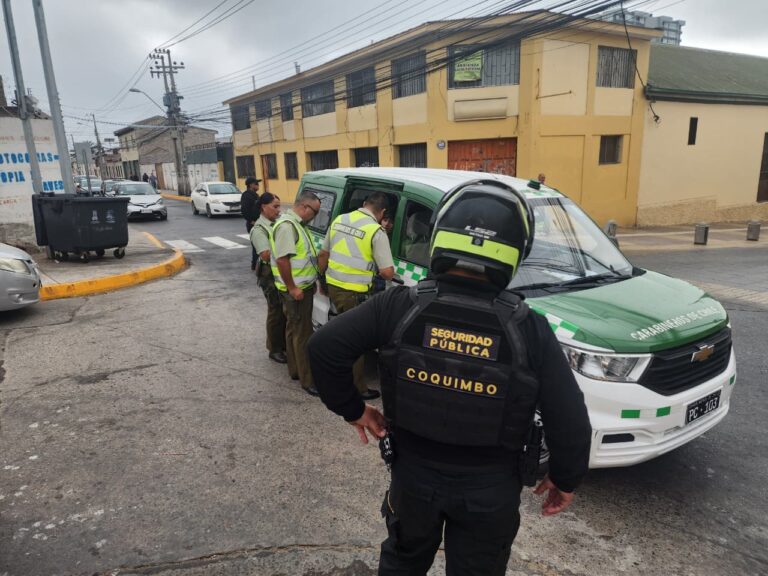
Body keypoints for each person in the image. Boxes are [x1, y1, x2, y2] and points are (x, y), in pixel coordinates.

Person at [308, 182, 592, 575]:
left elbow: (324, 348)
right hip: (490, 490)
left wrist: (354, 410)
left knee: (403, 563)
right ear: (516, 251)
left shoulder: (398, 305)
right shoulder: (530, 329)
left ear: (440, 236)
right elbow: (570, 418)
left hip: (413, 478)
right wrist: (565, 478)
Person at [317, 192, 394, 400]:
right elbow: (387, 272)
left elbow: (323, 254)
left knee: (341, 334)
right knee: (355, 341)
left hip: (334, 286)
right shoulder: (376, 231)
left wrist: (321, 278)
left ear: (364, 204)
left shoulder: (340, 219)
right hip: (355, 293)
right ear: (383, 212)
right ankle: (358, 388)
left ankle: (337, 376)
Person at [270, 190, 322, 395]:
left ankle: (295, 370)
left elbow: (305, 258)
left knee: (293, 330)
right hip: (295, 291)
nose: (315, 216)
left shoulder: (297, 226)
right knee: (303, 334)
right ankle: (308, 380)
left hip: (301, 287)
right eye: (315, 212)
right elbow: (283, 260)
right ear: (305, 207)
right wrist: (293, 287)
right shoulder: (287, 226)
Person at [250, 192, 287, 365]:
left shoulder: (275, 223)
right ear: (264, 207)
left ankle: (282, 344)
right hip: (269, 276)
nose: (278, 210)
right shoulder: (259, 229)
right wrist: (285, 248)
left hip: (278, 273)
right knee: (275, 312)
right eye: (275, 206)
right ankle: (274, 349)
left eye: (279, 206)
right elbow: (265, 255)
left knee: (283, 312)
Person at [241, 176, 262, 270]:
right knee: (257, 246)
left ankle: (256, 264)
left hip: (258, 222)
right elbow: (244, 211)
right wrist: (251, 221)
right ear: (250, 185)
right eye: (256, 184)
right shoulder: (246, 195)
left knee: (259, 245)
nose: (258, 185)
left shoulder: (255, 195)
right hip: (253, 224)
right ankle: (255, 265)